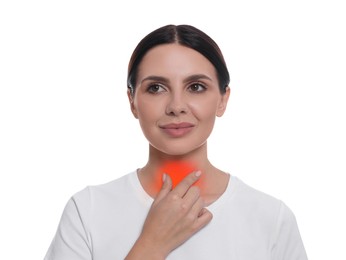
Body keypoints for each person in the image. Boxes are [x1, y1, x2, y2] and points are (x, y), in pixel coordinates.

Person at [44, 24, 308, 260]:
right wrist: (152, 245)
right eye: (156, 88)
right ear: (132, 102)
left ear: (223, 99)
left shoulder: (271, 219)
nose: (176, 106)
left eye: (196, 87)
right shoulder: (88, 211)